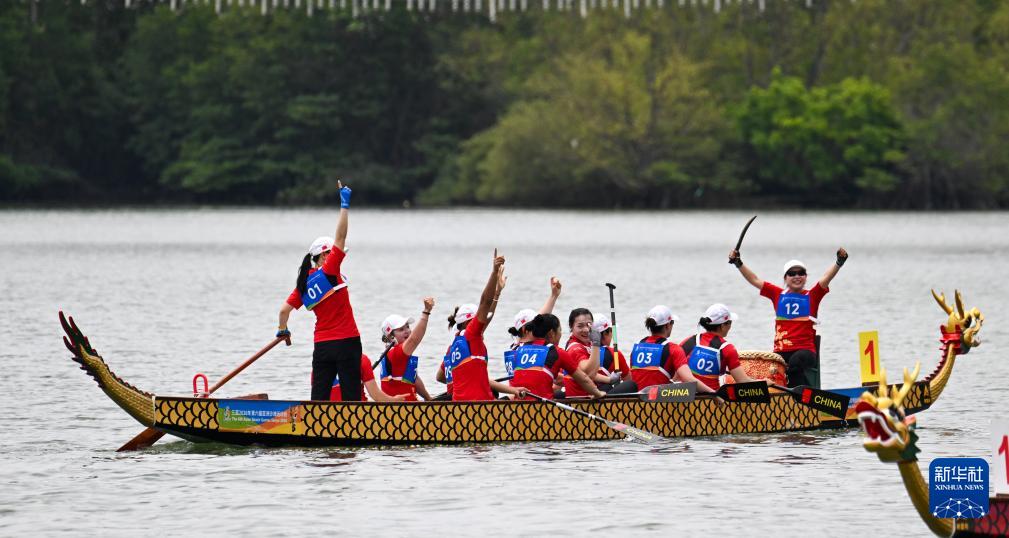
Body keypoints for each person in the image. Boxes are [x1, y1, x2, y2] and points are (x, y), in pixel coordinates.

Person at [278, 181, 364, 401]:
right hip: (347, 342)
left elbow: (284, 311)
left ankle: (316, 421)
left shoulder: (303, 284)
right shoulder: (330, 270)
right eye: (332, 253)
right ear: (325, 255)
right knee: (352, 397)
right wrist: (344, 205)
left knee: (319, 398)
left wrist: (282, 330)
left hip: (322, 346)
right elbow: (341, 237)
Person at [729, 247, 848, 388]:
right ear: (785, 278)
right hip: (781, 351)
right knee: (764, 368)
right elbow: (754, 279)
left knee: (795, 362)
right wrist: (738, 263)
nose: (797, 276)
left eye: (801, 273)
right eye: (792, 273)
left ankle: (801, 396)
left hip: (805, 351)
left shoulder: (812, 295)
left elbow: (826, 278)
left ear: (806, 277)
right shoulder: (777, 294)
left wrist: (839, 262)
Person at [443, 250, 528, 401]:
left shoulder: (458, 342)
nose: (483, 320)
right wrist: (494, 273)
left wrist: (513, 390)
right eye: (479, 317)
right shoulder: (471, 334)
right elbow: (484, 303)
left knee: (506, 396)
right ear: (469, 322)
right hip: (480, 406)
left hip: (461, 404)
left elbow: (487, 313)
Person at [511, 314, 605, 400]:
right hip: (544, 407)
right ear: (552, 333)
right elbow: (583, 379)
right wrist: (598, 394)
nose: (560, 334)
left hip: (517, 405)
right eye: (560, 330)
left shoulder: (517, 349)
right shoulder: (557, 352)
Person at [678, 304, 770, 392]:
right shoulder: (727, 348)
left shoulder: (688, 341)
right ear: (722, 326)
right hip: (713, 398)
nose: (730, 326)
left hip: (685, 396)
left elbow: (675, 374)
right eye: (730, 322)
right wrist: (764, 383)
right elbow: (742, 381)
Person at [379, 297, 436, 402]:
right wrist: (426, 312)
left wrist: (429, 399)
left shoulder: (396, 353)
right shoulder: (395, 353)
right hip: (400, 407)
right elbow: (414, 339)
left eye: (407, 327)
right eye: (401, 329)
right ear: (391, 337)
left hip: (409, 405)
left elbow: (415, 379)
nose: (407, 331)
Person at [504, 277, 562, 378]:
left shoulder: (520, 343)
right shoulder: (520, 349)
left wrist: (554, 295)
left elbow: (541, 316)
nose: (541, 326)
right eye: (537, 324)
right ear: (525, 330)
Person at [628, 306, 689, 390]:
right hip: (660, 396)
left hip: (637, 395)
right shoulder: (673, 349)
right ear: (667, 325)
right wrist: (708, 391)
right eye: (672, 322)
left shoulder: (637, 347)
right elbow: (689, 379)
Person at [323, 354, 407, 402]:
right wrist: (394, 400)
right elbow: (376, 396)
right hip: (358, 414)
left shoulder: (319, 363)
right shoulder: (361, 359)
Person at [561, 308, 604, 398]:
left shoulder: (585, 344)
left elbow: (593, 374)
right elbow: (587, 372)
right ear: (571, 327)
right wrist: (596, 344)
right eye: (580, 326)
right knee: (630, 385)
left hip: (588, 394)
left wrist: (610, 379)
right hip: (581, 399)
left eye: (589, 325)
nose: (586, 330)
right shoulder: (574, 348)